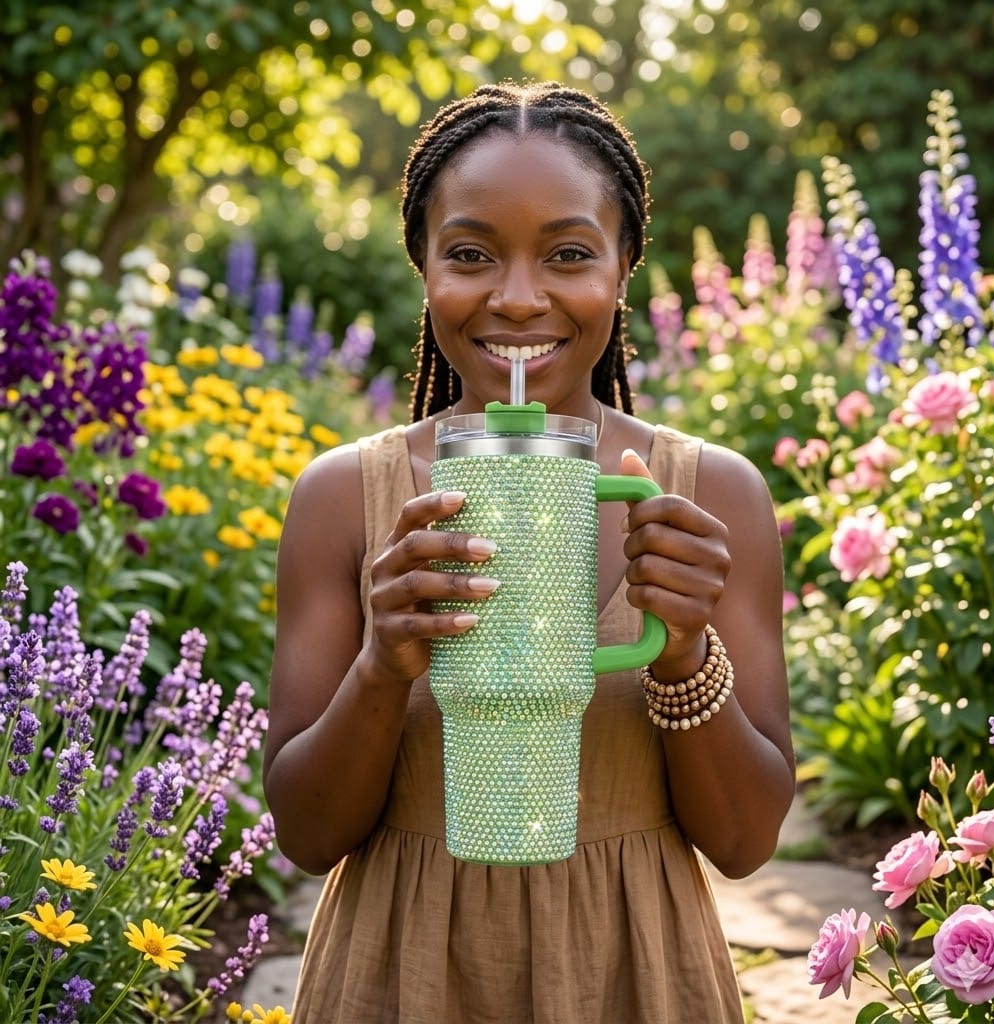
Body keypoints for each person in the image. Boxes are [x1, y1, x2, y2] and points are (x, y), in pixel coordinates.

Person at [263, 80, 795, 1023]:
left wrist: (683, 652)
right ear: (423, 265)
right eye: (469, 254)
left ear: (625, 265)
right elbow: (307, 833)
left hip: (637, 973)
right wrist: (383, 666)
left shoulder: (713, 494)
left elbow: (746, 840)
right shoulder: (344, 497)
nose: (516, 298)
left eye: (569, 254)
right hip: (399, 973)